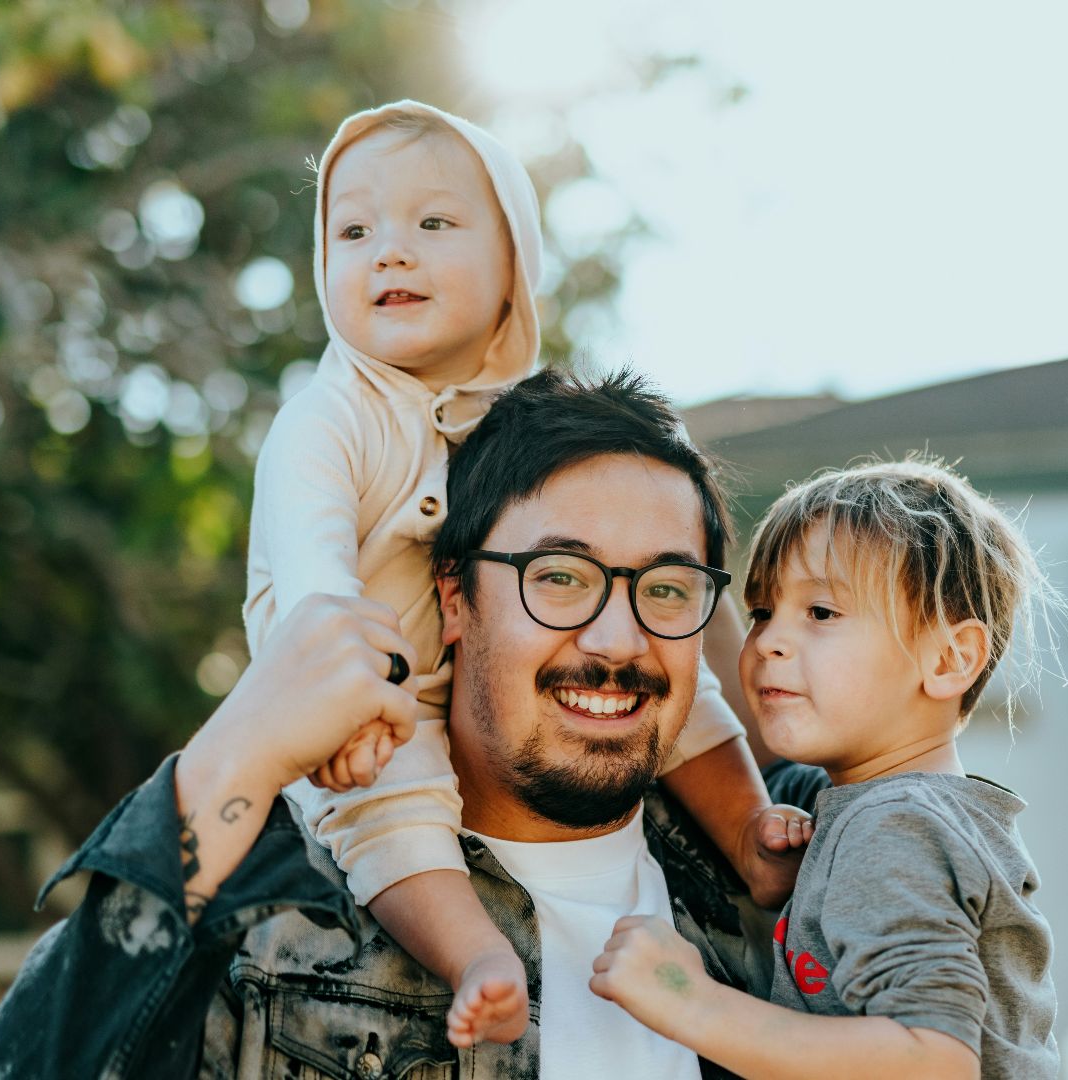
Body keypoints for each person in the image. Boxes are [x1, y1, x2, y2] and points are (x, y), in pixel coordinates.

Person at [0, 369, 807, 1079]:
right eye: (558, 577)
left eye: (664, 589)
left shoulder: (812, 872)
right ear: (452, 596)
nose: (618, 639)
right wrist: (233, 755)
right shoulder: (279, 923)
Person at [243, 100, 806, 1048]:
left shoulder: (526, 427)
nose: (390, 252)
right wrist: (345, 706)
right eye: (353, 231)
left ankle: (750, 833)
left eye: (433, 224)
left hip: (425, 687)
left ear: (515, 267)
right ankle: (476, 955)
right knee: (392, 812)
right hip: (365, 703)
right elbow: (313, 583)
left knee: (687, 689)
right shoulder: (329, 418)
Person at [591, 460, 1068, 1079]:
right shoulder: (881, 811)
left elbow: (935, 1064)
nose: (766, 641)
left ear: (950, 658)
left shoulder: (894, 827)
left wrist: (692, 1003)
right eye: (761, 611)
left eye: (820, 612)